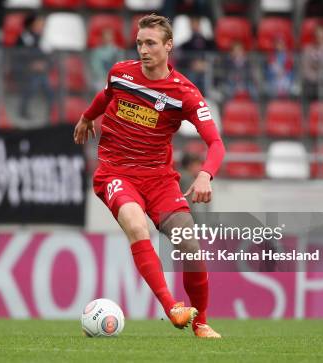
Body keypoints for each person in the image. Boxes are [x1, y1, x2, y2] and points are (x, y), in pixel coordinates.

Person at [74, 14, 225, 339]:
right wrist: (88, 117)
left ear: (168, 46)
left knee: (190, 247)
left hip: (159, 179)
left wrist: (204, 175)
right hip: (115, 173)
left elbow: (215, 142)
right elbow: (106, 96)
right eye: (140, 43)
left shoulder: (184, 92)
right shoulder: (121, 73)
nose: (143, 49)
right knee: (136, 225)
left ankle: (201, 323)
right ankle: (173, 307)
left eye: (151, 43)